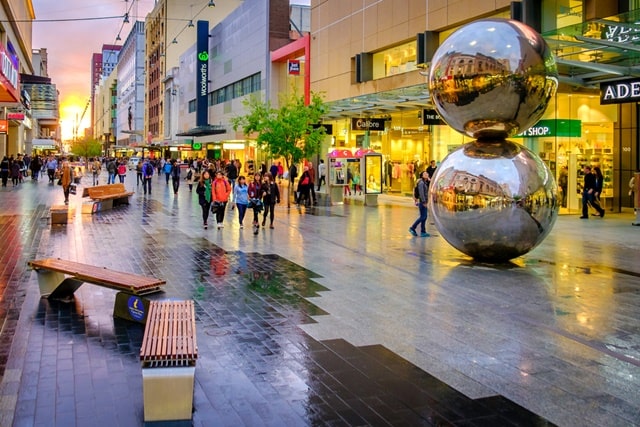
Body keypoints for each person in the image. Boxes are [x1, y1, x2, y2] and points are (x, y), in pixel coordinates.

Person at [409, 171, 430, 237]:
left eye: (427, 173)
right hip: (422, 202)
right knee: (423, 216)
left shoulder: (424, 182)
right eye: (425, 174)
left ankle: (423, 231)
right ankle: (412, 227)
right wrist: (423, 202)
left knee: (424, 217)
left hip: (424, 201)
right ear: (422, 175)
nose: (427, 174)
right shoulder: (421, 183)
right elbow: (421, 193)